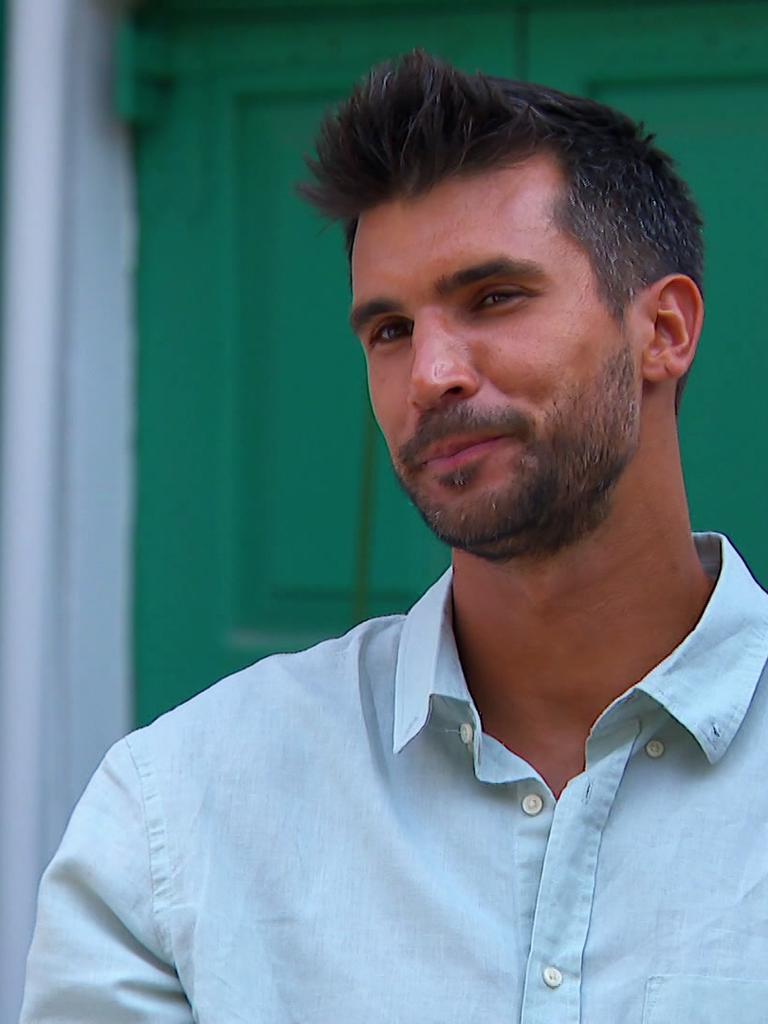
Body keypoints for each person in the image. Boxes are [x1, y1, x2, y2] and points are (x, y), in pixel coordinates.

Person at [20, 50, 768, 1023]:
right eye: (389, 330)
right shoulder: (179, 813)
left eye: (494, 298)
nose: (431, 375)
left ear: (663, 329)